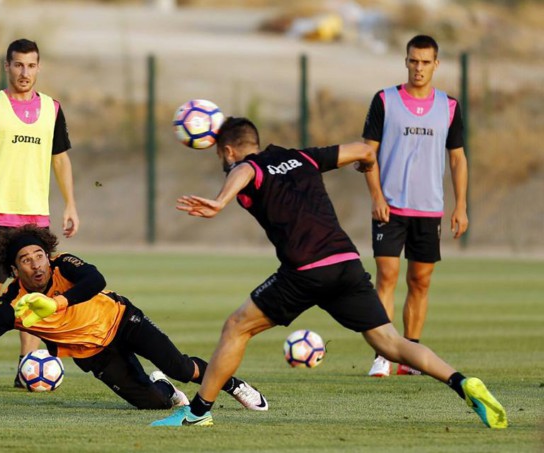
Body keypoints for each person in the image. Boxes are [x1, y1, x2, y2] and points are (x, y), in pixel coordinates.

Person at [150, 117, 506, 428]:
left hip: (304, 270)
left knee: (236, 327)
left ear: (228, 151)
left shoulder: (249, 167)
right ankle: (461, 382)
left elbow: (247, 170)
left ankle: (197, 413)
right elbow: (365, 150)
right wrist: (366, 163)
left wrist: (221, 200)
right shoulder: (302, 156)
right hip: (345, 263)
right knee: (391, 343)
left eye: (221, 156)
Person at [0, 225, 266, 411]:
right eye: (26, 260)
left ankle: (235, 386)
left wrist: (59, 303)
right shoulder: (11, 304)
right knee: (151, 403)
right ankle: (163, 389)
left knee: (183, 368)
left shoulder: (65, 265)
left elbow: (97, 281)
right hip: (93, 354)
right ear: (15, 269)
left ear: (48, 255)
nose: (36, 263)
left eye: (39, 255)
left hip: (123, 321)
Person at [0, 38, 80, 390]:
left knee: (33, 298)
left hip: (35, 219)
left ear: (39, 67)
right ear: (6, 66)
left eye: (31, 65)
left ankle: (26, 368)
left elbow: (60, 158)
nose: (24, 72)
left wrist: (70, 203)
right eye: (18, 65)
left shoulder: (52, 109)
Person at [361, 35, 468, 378]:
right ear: (405, 61)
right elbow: (367, 154)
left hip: (429, 209)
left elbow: (457, 160)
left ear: (436, 64)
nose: (418, 68)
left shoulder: (449, 106)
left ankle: (410, 352)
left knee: (420, 281)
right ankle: (383, 354)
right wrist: (376, 196)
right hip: (390, 208)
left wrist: (461, 206)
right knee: (387, 277)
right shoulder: (384, 100)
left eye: (425, 62)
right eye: (413, 61)